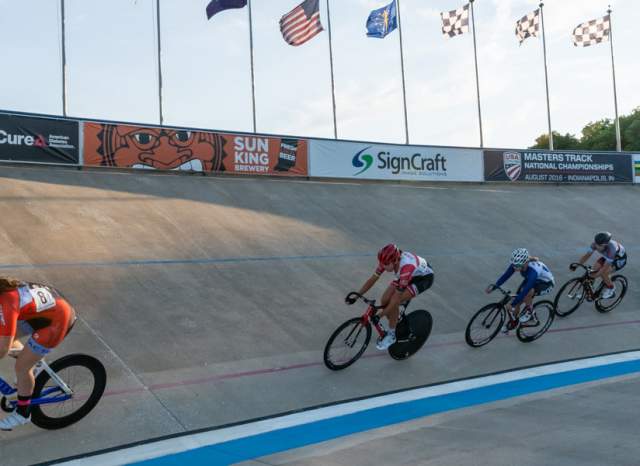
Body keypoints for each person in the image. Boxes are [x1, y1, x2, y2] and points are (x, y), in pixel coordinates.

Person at [0, 278, 77, 430]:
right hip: (38, 313)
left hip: (57, 321)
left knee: (22, 367)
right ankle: (32, 362)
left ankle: (23, 413)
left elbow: (2, 350)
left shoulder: (7, 304)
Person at [346, 244, 434, 350]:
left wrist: (380, 315)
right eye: (381, 263)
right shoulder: (386, 260)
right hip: (409, 275)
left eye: (386, 264)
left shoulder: (406, 267)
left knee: (394, 301)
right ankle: (396, 321)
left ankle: (391, 335)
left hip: (422, 279)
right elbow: (372, 279)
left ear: (396, 260)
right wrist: (357, 296)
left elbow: (396, 299)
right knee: (384, 300)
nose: (383, 266)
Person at [486, 248, 554, 332]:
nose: (515, 268)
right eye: (514, 265)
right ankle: (513, 323)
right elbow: (506, 275)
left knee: (527, 293)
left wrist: (513, 304)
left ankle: (531, 315)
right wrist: (494, 287)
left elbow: (527, 289)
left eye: (518, 266)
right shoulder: (517, 263)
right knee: (517, 300)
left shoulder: (533, 271)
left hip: (546, 283)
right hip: (531, 280)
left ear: (526, 263)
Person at [571, 232, 626, 299]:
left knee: (603, 273)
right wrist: (577, 265)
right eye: (596, 244)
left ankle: (611, 288)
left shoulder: (612, 249)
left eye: (599, 245)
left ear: (605, 245)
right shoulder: (595, 244)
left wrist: (595, 275)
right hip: (607, 257)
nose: (597, 246)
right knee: (593, 271)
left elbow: (604, 268)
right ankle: (587, 293)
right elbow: (586, 256)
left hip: (619, 260)